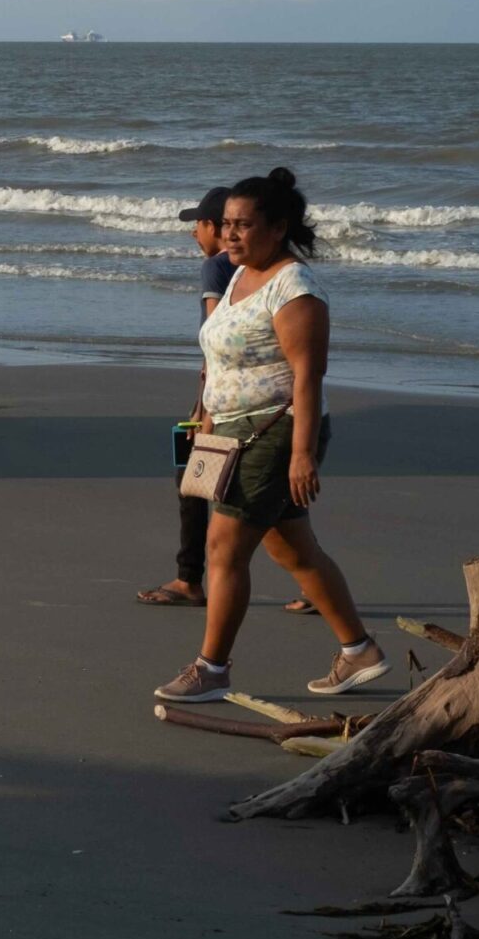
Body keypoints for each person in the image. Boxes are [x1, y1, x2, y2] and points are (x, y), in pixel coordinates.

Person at [154, 168, 387, 701]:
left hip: (274, 432)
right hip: (232, 431)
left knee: (223, 548)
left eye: (244, 225)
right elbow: (218, 359)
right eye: (228, 224)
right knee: (293, 552)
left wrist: (302, 454)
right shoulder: (237, 275)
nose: (231, 234)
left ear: (277, 227)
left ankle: (211, 669)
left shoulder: (294, 287)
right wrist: (208, 420)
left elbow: (309, 376)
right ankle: (359, 651)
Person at [136, 186, 238, 606]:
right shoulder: (259, 268)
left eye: (197, 224)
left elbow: (216, 337)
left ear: (214, 226)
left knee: (190, 482)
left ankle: (188, 579)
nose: (194, 233)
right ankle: (311, 586)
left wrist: (204, 407)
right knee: (256, 495)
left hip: (219, 392)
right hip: (243, 390)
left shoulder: (215, 267)